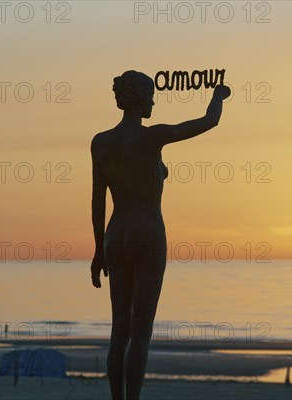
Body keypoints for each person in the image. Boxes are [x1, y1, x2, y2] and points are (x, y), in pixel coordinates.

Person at [90, 70, 230, 400]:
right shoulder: (152, 137)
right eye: (151, 95)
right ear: (140, 99)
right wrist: (218, 96)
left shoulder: (101, 142)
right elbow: (208, 122)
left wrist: (98, 250)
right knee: (140, 332)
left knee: (118, 331)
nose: (154, 100)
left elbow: (98, 198)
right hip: (146, 232)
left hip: (115, 234)